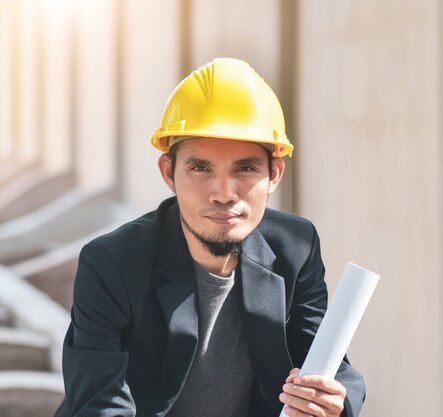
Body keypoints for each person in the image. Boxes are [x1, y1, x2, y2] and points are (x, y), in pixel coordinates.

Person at [54, 57, 365, 417]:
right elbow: (99, 405)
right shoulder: (111, 264)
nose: (223, 193)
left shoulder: (296, 247)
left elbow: (330, 364)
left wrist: (333, 398)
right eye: (200, 168)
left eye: (245, 168)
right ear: (169, 172)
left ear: (274, 174)